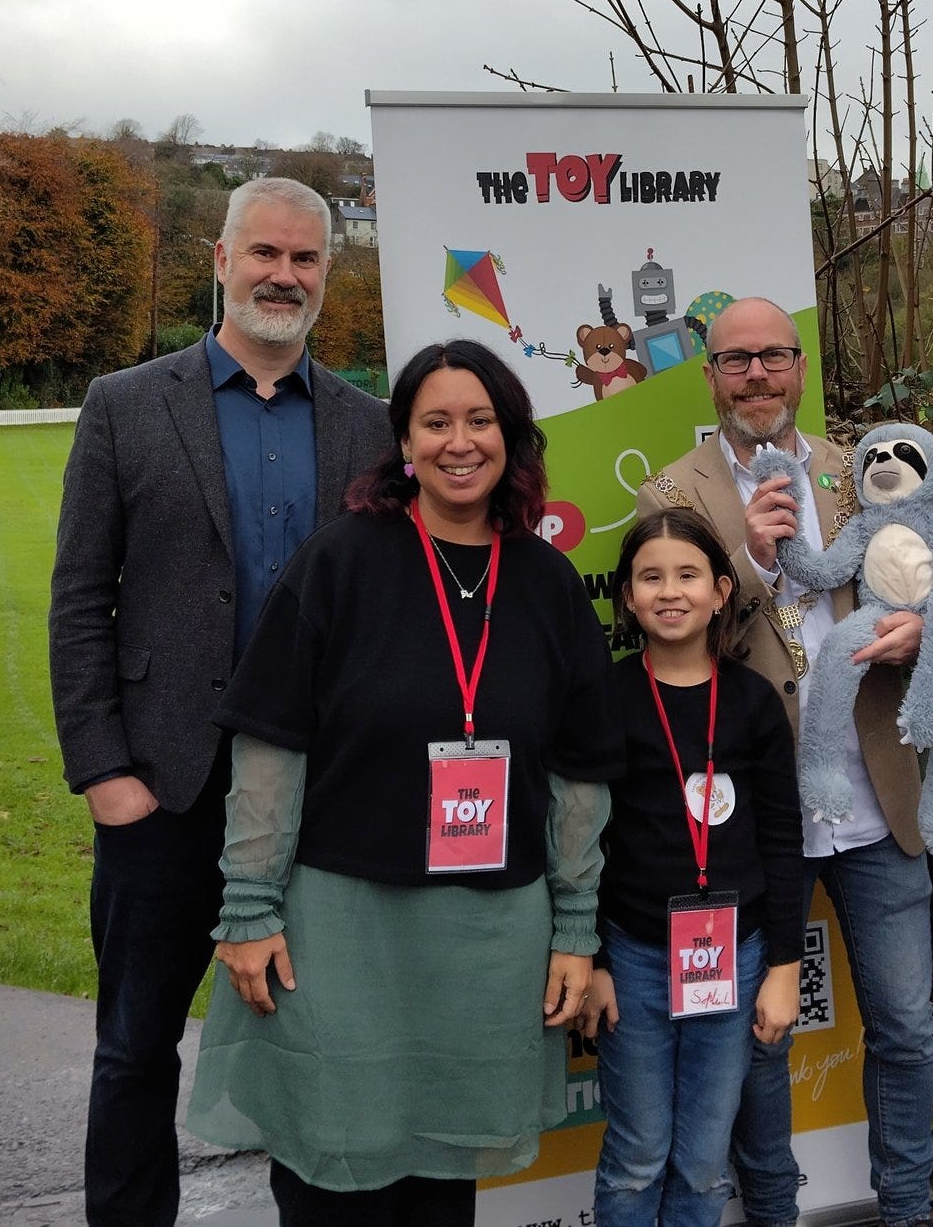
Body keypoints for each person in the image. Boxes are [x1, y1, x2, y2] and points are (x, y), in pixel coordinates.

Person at [189, 338, 621, 1227]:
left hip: (491, 939)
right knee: (329, 1171)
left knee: (442, 1181)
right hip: (344, 932)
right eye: (436, 422)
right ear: (405, 442)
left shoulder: (548, 583)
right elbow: (272, 747)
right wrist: (248, 907)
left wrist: (576, 925)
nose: (459, 442)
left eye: (480, 420)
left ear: (512, 438)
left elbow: (580, 774)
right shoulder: (339, 563)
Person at [48, 176, 390, 1227]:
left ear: (326, 278)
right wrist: (106, 776)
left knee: (310, 1047)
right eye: (265, 254)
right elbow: (77, 598)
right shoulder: (126, 405)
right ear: (221, 260)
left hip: (317, 804)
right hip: (164, 787)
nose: (282, 276)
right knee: (135, 1047)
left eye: (304, 261)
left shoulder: (369, 428)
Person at [636, 297, 933, 1227]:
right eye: (736, 361)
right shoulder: (672, 495)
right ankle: (772, 1211)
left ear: (801, 367)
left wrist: (924, 626)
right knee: (758, 1035)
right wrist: (755, 560)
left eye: (773, 356)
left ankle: (908, 1208)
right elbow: (669, 636)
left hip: (875, 801)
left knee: (906, 1026)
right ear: (710, 377)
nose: (757, 375)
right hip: (752, 813)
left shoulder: (869, 471)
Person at [579, 507, 806, 1227]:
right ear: (626, 597)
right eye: (650, 576)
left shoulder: (752, 702)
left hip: (733, 961)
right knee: (638, 1153)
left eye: (687, 575)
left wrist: (782, 964)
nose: (668, 591)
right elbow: (577, 841)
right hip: (635, 956)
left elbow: (781, 834)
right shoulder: (605, 699)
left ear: (720, 592)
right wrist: (590, 956)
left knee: (705, 1163)